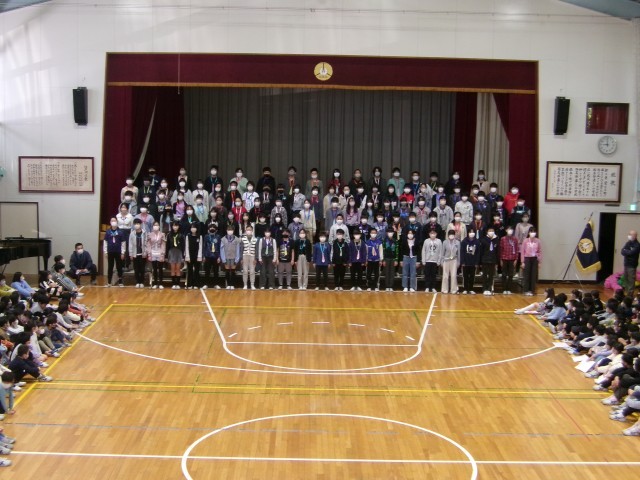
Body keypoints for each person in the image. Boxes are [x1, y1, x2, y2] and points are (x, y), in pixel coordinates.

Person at [104, 217, 126, 287]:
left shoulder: (120, 232)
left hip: (118, 251)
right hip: (110, 251)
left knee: (119, 266)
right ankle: (109, 282)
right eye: (112, 221)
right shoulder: (108, 232)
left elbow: (123, 243)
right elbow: (105, 242)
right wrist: (105, 252)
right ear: (110, 222)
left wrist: (123, 252)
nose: (113, 222)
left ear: (117, 222)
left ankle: (120, 282)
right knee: (110, 267)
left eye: (114, 220)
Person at [521, 227, 542, 296]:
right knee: (526, 275)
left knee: (533, 275)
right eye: (531, 232)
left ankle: (532, 290)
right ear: (529, 233)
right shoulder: (525, 241)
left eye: (534, 232)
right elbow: (522, 251)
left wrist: (539, 262)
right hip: (527, 258)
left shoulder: (538, 241)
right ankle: (526, 290)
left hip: (535, 259)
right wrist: (522, 262)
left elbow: (540, 251)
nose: (532, 233)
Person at [460, 229, 481, 294]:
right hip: (465, 262)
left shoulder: (477, 242)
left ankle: (471, 288)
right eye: (470, 232)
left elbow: (478, 253)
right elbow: (462, 252)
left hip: (473, 262)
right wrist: (462, 262)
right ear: (468, 233)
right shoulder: (464, 241)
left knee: (472, 276)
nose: (472, 233)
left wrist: (477, 262)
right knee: (465, 276)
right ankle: (465, 289)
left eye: (473, 232)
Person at [480, 227, 500, 295]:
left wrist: (497, 262)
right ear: (487, 232)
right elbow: (481, 251)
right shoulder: (484, 240)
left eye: (492, 231)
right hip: (485, 260)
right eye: (490, 231)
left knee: (491, 275)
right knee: (485, 275)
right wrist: (480, 261)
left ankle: (489, 288)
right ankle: (484, 289)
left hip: (493, 260)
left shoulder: (496, 240)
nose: (491, 232)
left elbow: (497, 252)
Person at [146, 221, 166, 289]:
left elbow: (163, 245)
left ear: (159, 226)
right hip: (153, 253)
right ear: (152, 226)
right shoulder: (150, 234)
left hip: (160, 252)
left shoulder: (162, 234)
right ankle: (155, 283)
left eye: (157, 225)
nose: (156, 226)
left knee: (160, 269)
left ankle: (160, 283)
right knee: (154, 269)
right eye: (154, 225)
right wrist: (149, 254)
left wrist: (162, 254)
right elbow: (148, 245)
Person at [128, 220, 148, 288]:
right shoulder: (132, 233)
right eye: (135, 224)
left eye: (138, 224)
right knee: (136, 269)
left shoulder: (144, 233)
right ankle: (137, 282)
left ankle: (142, 282)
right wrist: (130, 253)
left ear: (141, 224)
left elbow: (146, 243)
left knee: (142, 269)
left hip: (142, 254)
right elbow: (130, 244)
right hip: (135, 253)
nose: (136, 225)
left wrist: (145, 252)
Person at [440, 229, 461, 294]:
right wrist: (441, 261)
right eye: (450, 234)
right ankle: (444, 289)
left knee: (453, 275)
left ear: (454, 235)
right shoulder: (445, 242)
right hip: (446, 260)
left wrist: (458, 262)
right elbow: (442, 252)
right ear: (448, 235)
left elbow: (459, 253)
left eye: (452, 234)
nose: (451, 236)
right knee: (445, 275)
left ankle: (453, 290)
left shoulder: (457, 242)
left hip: (454, 260)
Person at [499, 226, 519, 294]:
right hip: (504, 258)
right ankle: (504, 289)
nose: (510, 231)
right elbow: (501, 249)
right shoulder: (503, 239)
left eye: (511, 229)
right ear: (506, 230)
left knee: (511, 274)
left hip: (512, 259)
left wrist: (516, 259)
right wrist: (500, 259)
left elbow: (517, 249)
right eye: (509, 229)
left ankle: (509, 289)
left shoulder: (515, 239)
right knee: (504, 274)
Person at [166, 221, 185, 290]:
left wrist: (183, 255)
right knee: (173, 268)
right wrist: (166, 255)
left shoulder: (181, 235)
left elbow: (183, 246)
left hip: (179, 252)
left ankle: (177, 284)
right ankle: (173, 284)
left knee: (178, 269)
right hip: (171, 252)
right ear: (172, 226)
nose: (175, 227)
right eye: (174, 226)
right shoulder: (169, 235)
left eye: (176, 226)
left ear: (178, 226)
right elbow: (167, 245)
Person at [184, 222, 203, 289]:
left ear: (197, 228)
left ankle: (196, 284)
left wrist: (199, 256)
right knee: (190, 270)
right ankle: (189, 284)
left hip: (197, 255)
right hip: (190, 254)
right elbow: (186, 247)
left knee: (196, 270)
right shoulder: (188, 236)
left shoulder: (200, 236)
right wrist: (187, 257)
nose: (193, 229)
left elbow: (200, 247)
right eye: (192, 227)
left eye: (194, 227)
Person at [621, 230, 640, 297]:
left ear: (635, 236)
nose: (629, 235)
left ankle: (630, 295)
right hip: (626, 263)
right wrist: (627, 251)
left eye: (631, 234)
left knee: (631, 280)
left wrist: (626, 251)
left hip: (632, 265)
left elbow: (631, 253)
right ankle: (626, 293)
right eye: (629, 234)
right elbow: (622, 251)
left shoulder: (637, 245)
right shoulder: (628, 243)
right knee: (626, 278)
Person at [202, 225, 221, 290]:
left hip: (216, 256)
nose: (212, 229)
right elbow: (204, 246)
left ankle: (216, 284)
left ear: (216, 230)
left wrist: (219, 257)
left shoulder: (218, 237)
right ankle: (206, 284)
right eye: (211, 228)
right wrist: (204, 256)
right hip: (208, 255)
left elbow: (219, 247)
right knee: (207, 271)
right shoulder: (206, 236)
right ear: (208, 229)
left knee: (216, 271)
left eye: (213, 228)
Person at [240, 225, 258, 290]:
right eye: (247, 230)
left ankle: (252, 284)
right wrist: (241, 258)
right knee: (245, 271)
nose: (249, 231)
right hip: (245, 256)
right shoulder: (243, 239)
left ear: (252, 231)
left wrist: (255, 258)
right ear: (245, 230)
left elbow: (256, 249)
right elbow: (241, 249)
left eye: (250, 230)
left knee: (252, 271)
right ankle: (245, 285)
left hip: (252, 256)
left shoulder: (255, 239)